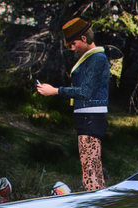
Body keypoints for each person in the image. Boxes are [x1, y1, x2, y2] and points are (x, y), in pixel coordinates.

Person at [36, 18, 110, 191]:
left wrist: (55, 91)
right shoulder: (91, 58)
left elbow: (85, 92)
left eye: (73, 43)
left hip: (90, 117)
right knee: (94, 170)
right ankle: (98, 206)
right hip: (88, 117)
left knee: (90, 172)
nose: (72, 48)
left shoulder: (96, 58)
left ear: (84, 39)